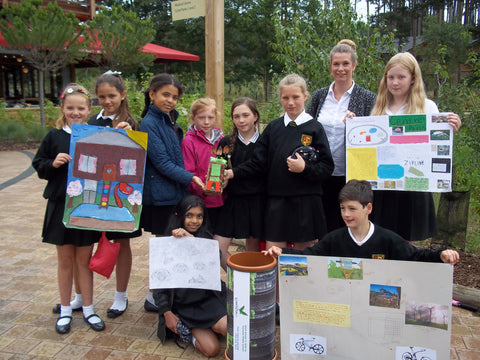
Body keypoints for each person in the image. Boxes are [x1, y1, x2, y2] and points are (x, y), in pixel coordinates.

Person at [225, 74, 334, 251]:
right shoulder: (273, 128)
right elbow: (258, 163)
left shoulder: (315, 128)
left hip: (305, 201)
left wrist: (304, 168)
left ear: (305, 96)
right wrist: (233, 172)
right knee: (272, 253)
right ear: (280, 99)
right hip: (277, 201)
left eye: (295, 97)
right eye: (285, 97)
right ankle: (273, 281)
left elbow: (327, 167)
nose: (290, 102)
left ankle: (298, 281)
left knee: (301, 257)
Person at [32, 83, 105, 334]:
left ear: (89, 110)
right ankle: (65, 310)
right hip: (60, 206)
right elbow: (38, 164)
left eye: (81, 108)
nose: (76, 112)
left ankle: (88, 308)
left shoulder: (95, 135)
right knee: (65, 261)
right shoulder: (54, 136)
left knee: (84, 261)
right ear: (63, 109)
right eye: (71, 108)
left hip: (86, 207)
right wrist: (52, 163)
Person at [370, 52, 462, 241]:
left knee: (406, 242)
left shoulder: (427, 107)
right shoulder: (379, 108)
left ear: (413, 79)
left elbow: (436, 142)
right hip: (383, 186)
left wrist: (450, 127)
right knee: (380, 240)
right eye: (391, 77)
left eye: (401, 77)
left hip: (413, 185)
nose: (395, 82)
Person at [263, 180, 460, 265]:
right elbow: (310, 255)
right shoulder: (334, 239)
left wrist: (441, 255)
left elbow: (415, 256)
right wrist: (283, 252)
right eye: (342, 208)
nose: (346, 214)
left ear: (369, 208)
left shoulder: (388, 239)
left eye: (352, 209)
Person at [139, 73, 204, 311]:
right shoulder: (149, 123)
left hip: (174, 192)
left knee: (172, 245)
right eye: (165, 95)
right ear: (152, 94)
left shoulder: (170, 120)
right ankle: (154, 296)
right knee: (164, 246)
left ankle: (165, 293)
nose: (170, 100)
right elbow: (163, 163)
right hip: (161, 196)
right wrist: (192, 178)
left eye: (174, 97)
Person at [87, 70, 141, 318]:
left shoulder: (134, 122)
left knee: (121, 242)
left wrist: (129, 133)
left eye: (111, 95)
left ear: (122, 94)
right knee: (85, 243)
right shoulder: (91, 123)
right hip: (95, 192)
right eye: (101, 97)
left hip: (121, 191)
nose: (107, 101)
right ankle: (81, 296)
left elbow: (140, 158)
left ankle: (121, 295)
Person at [307, 39, 377, 231]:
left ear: (354, 65)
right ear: (330, 67)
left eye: (346, 63)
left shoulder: (368, 97)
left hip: (351, 174)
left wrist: (358, 125)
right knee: (324, 223)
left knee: (349, 223)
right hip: (322, 172)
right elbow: (307, 128)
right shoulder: (320, 96)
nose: (341, 68)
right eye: (336, 64)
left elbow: (377, 133)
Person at [152, 195, 227, 357]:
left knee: (226, 328)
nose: (195, 221)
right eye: (189, 215)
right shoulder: (167, 243)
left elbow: (214, 257)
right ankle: (188, 331)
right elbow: (159, 285)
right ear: (180, 216)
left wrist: (193, 241)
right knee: (211, 350)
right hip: (184, 306)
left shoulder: (205, 236)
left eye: (199, 216)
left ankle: (213, 325)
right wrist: (167, 312)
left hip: (208, 299)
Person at [214, 97, 265, 270]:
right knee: (217, 249)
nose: (241, 120)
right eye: (236, 116)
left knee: (253, 251)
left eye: (245, 115)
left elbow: (261, 168)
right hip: (232, 201)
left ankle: (251, 291)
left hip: (258, 202)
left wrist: (232, 173)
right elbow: (218, 170)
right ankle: (239, 282)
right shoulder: (225, 143)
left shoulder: (265, 141)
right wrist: (218, 182)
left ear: (255, 116)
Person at [181, 98, 224, 231]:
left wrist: (223, 183)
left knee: (215, 235)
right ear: (193, 118)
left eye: (210, 117)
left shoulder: (222, 140)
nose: (206, 122)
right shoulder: (189, 141)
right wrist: (202, 189)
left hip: (219, 198)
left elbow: (226, 166)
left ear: (215, 118)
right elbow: (188, 171)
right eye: (201, 118)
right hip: (199, 200)